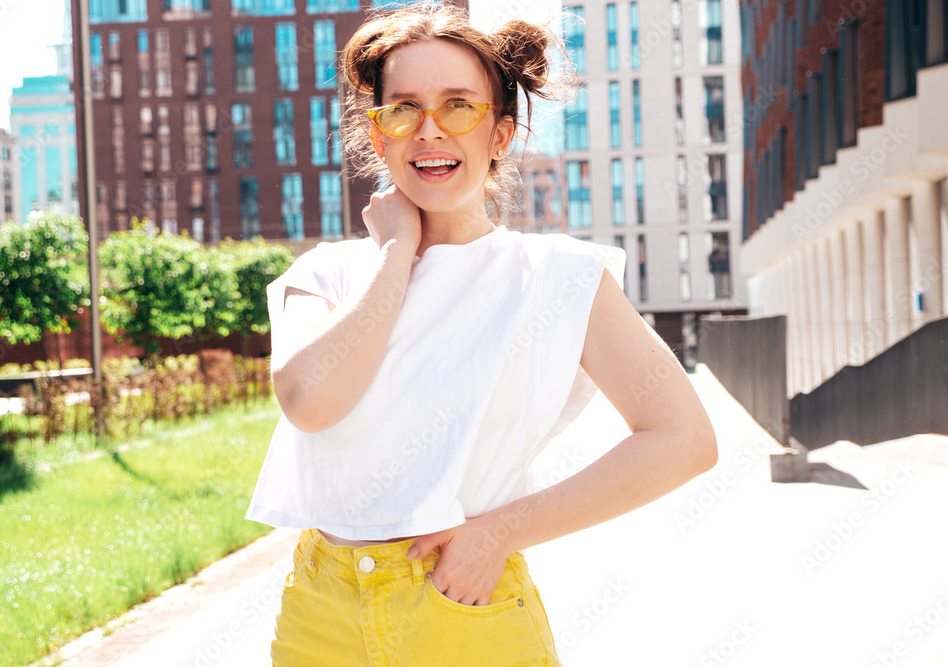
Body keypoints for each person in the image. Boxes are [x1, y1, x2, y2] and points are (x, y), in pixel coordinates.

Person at [246, 4, 718, 665]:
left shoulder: (557, 276)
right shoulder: (325, 274)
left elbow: (683, 439)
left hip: (463, 603)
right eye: (405, 109)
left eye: (458, 107)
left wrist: (499, 532)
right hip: (322, 615)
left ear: (499, 134)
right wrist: (394, 255)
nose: (430, 130)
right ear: (378, 137)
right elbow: (309, 401)